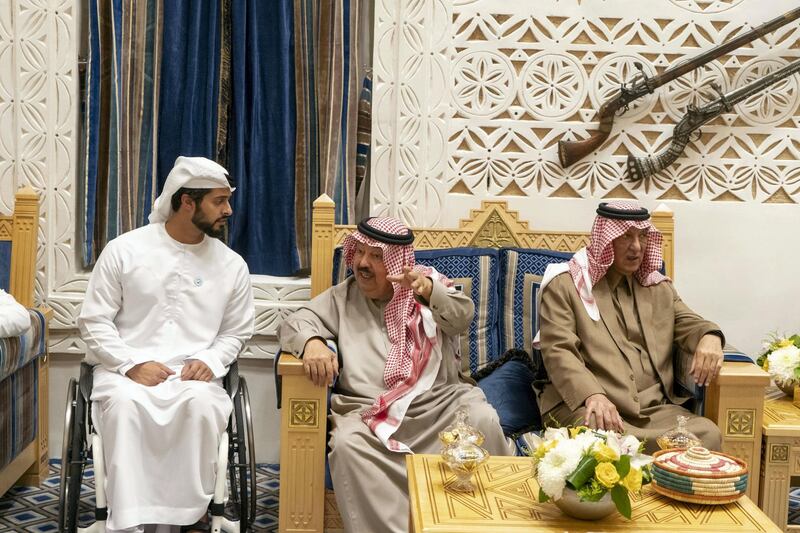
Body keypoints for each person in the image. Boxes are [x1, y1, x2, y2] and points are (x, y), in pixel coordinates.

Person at [279, 216, 507, 533]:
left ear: (397, 261)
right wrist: (313, 342)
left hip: (438, 408)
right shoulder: (342, 298)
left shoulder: (427, 290)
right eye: (358, 252)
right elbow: (294, 321)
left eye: (375, 256)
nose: (362, 263)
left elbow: (460, 318)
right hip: (370, 414)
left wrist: (428, 291)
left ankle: (478, 525)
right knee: (346, 444)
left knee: (483, 419)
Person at [77, 156, 254, 533]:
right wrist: (130, 364)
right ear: (187, 201)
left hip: (194, 377)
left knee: (202, 404)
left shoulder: (232, 265)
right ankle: (128, 521)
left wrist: (210, 359)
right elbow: (94, 321)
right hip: (124, 372)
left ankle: (188, 516)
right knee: (125, 407)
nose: (228, 210)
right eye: (219, 201)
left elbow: (236, 332)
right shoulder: (124, 250)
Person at [536, 200, 723, 453]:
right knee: (596, 442)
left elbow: (691, 323)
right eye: (626, 236)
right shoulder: (567, 285)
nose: (637, 247)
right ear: (605, 239)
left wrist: (710, 336)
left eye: (643, 236)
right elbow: (558, 350)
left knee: (708, 434)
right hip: (592, 409)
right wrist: (593, 395)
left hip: (654, 412)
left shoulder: (657, 288)